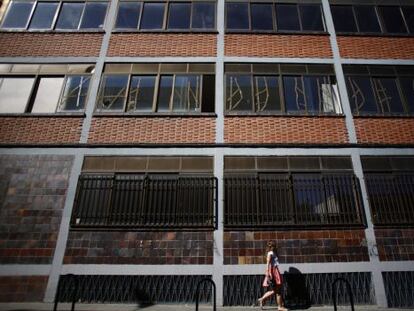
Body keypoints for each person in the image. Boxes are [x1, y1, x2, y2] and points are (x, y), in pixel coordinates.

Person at [257, 241, 287, 310]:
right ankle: (280, 307)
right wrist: (268, 273)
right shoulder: (270, 253)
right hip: (273, 272)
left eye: (274, 246)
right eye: (273, 246)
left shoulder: (273, 253)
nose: (274, 247)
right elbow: (268, 263)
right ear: (271, 247)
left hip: (275, 271)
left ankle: (262, 299)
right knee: (278, 290)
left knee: (276, 290)